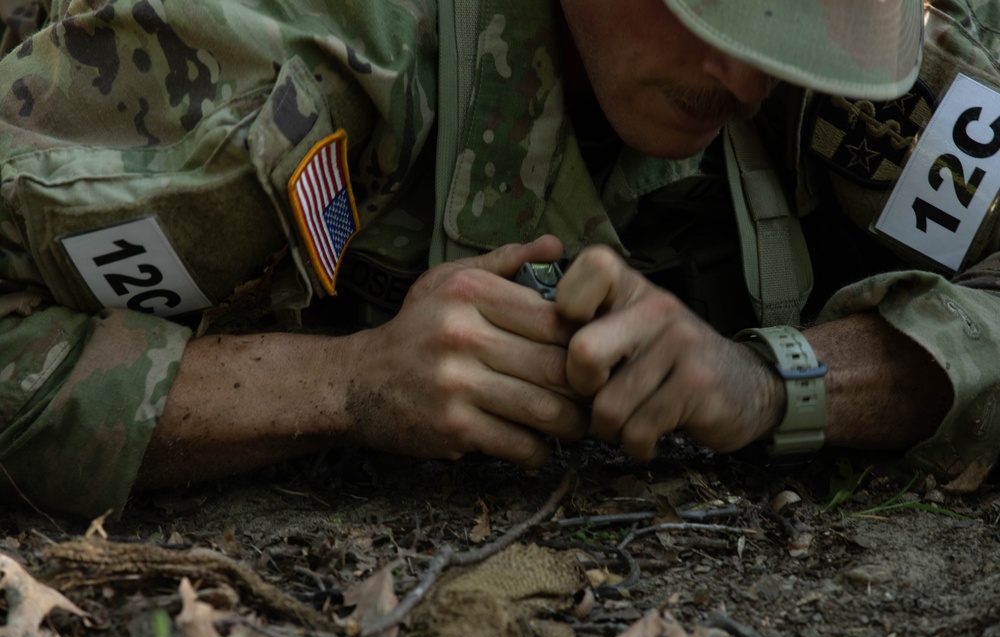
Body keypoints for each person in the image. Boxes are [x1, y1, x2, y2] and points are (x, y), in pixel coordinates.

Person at [0, 0, 994, 520]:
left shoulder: (827, 56)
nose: (746, 75)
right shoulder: (293, 54)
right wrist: (338, 383)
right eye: (709, 10)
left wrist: (780, 381)